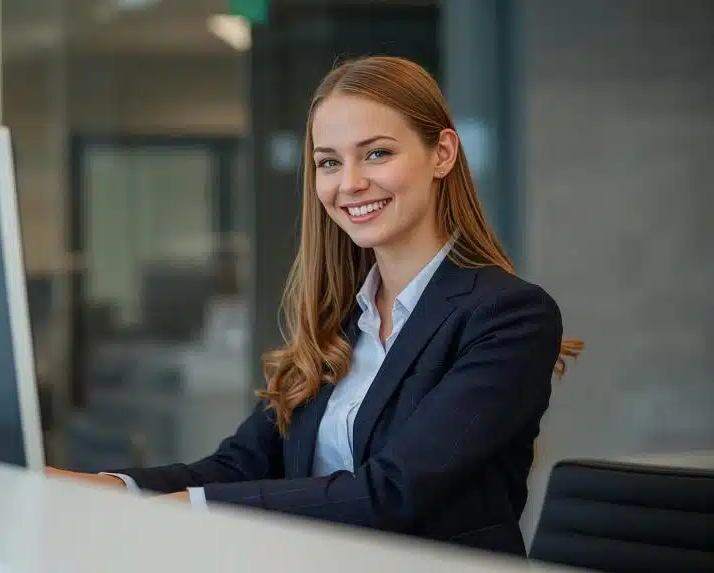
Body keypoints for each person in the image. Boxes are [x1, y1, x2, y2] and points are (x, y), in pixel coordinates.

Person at [47, 55, 582, 557]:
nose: (350, 183)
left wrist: (184, 510)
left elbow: (394, 492)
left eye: (377, 153)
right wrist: (110, 488)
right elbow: (242, 464)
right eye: (329, 162)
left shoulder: (507, 316)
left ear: (442, 153)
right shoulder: (341, 321)